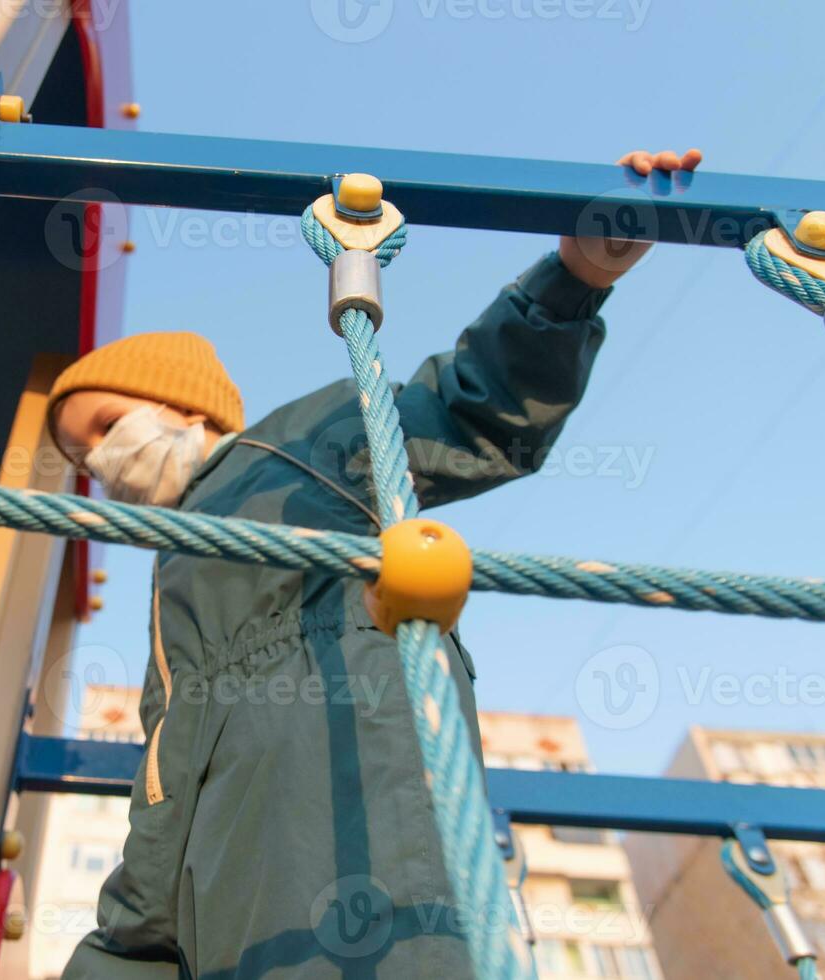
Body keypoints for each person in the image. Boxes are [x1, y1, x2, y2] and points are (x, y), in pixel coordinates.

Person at [48, 149, 701, 979]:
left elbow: (477, 407)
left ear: (179, 401)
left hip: (345, 790)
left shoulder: (300, 440)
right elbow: (165, 777)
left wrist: (574, 276)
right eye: (80, 454)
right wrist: (126, 950)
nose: (100, 461)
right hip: (226, 890)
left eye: (105, 426)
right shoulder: (175, 560)